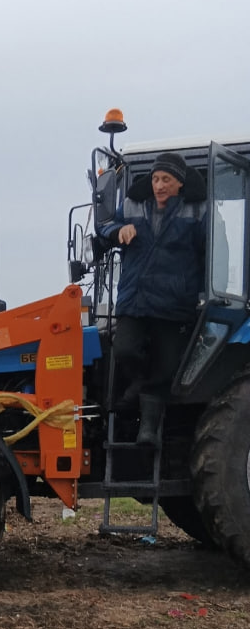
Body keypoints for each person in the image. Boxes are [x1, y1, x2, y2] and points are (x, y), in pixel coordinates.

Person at [100, 150, 207, 445]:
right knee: (124, 350)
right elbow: (103, 227)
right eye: (156, 179)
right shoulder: (133, 204)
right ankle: (136, 385)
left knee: (165, 366)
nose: (159, 185)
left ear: (180, 184)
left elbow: (211, 251)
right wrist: (118, 230)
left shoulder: (197, 212)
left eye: (166, 180)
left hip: (174, 304)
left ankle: (148, 430)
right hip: (135, 300)